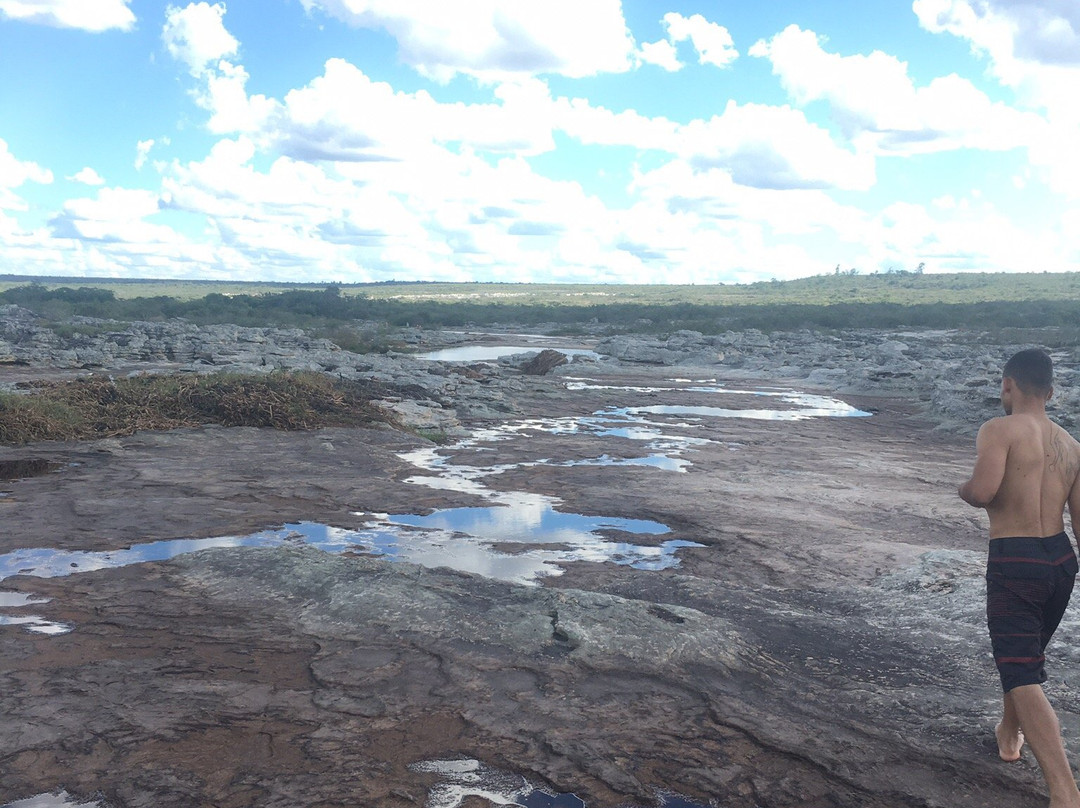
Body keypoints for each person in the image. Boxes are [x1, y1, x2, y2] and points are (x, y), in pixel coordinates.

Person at [959, 348, 1080, 807]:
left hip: (1016, 560)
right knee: (1024, 657)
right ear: (1050, 392)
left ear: (1007, 385)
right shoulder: (1072, 446)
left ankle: (1065, 793)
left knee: (1021, 670)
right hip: (1060, 561)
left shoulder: (999, 429)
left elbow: (983, 491)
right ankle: (1009, 734)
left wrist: (963, 489)